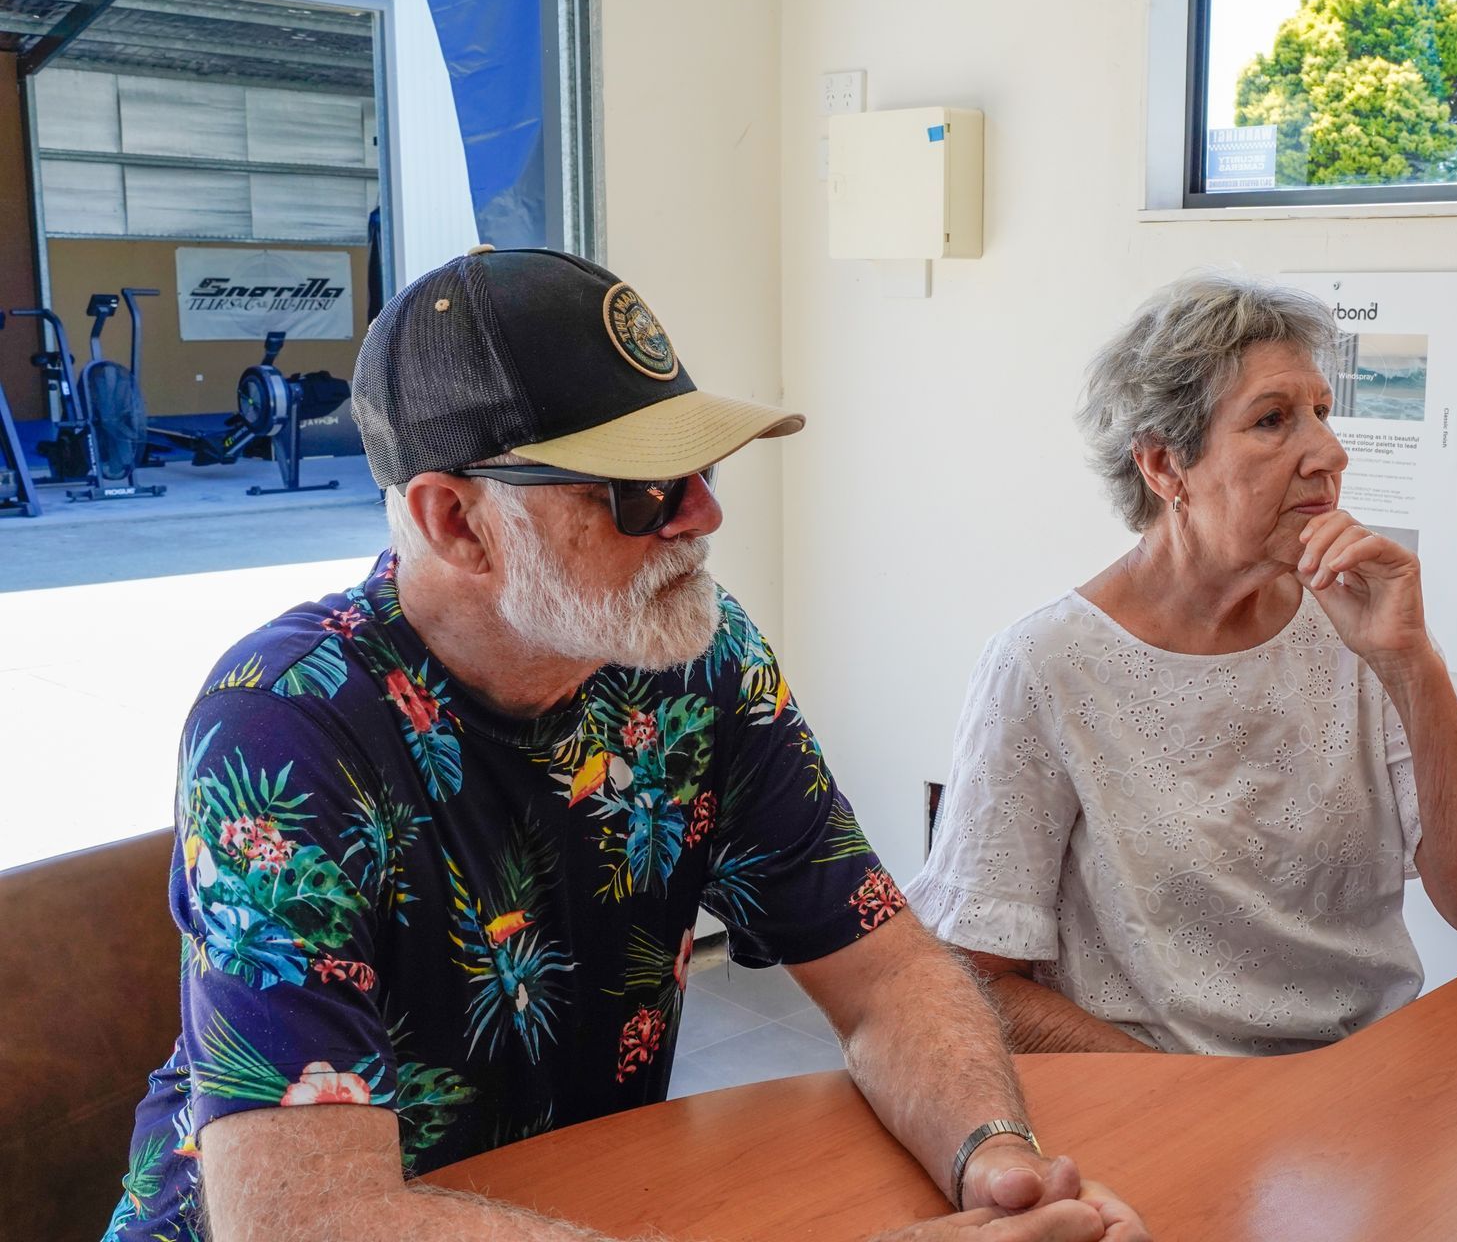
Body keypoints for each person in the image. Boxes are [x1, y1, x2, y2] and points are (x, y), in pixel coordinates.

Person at [103, 247, 1147, 1242]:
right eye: (639, 487)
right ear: (457, 521)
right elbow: (306, 1220)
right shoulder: (286, 725)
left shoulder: (698, 661)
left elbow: (885, 975)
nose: (704, 513)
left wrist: (993, 1155)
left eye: (698, 465)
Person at [907, 273, 1457, 1057]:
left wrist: (1412, 664)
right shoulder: (1047, 666)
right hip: (1162, 1100)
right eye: (1274, 420)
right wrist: (1202, 1103)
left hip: (1358, 1081)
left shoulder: (1354, 630)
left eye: (1322, 411)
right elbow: (973, 976)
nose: (1329, 451)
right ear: (1164, 467)